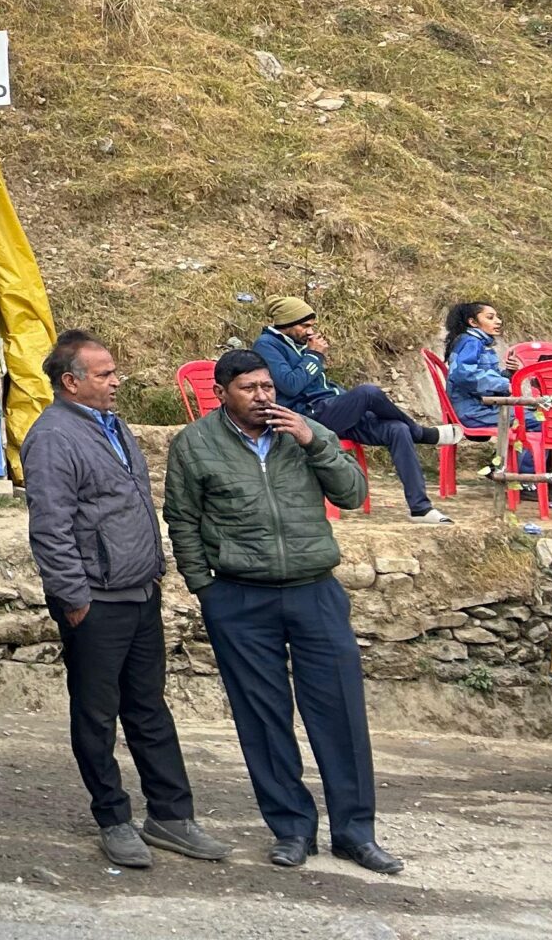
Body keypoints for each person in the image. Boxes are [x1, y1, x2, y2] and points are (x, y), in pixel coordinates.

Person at [162, 348, 400, 876]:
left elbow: (354, 493)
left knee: (339, 713)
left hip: (316, 590)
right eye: (250, 388)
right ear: (222, 393)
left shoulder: (306, 433)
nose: (264, 396)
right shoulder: (195, 444)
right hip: (240, 598)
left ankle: (356, 834)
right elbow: (182, 519)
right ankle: (292, 829)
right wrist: (207, 590)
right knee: (263, 719)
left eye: (268, 386)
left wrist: (314, 443)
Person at [19, 332, 229, 872]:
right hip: (95, 601)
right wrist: (73, 598)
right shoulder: (52, 436)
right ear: (71, 382)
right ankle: (113, 818)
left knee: (149, 707)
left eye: (115, 372)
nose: (116, 382)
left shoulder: (111, 424)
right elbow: (51, 525)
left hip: (139, 591)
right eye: (105, 374)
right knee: (96, 715)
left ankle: (171, 815)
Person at [254, 298, 457, 524]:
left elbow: (320, 385)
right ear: (286, 323)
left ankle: (420, 508)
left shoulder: (300, 343)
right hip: (308, 418)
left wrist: (341, 395)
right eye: (305, 326)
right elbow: (290, 385)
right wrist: (315, 356)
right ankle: (421, 433)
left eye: (312, 326)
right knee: (367, 392)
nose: (310, 332)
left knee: (397, 429)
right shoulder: (267, 345)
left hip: (332, 409)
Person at [441, 302, 511, 432]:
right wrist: (505, 384)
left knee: (540, 416)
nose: (499, 321)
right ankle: (522, 453)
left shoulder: (478, 343)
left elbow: (487, 378)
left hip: (482, 408)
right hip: (473, 412)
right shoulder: (471, 342)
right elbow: (464, 375)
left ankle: (514, 452)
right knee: (541, 419)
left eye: (497, 317)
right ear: (473, 322)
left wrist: (511, 373)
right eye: (490, 318)